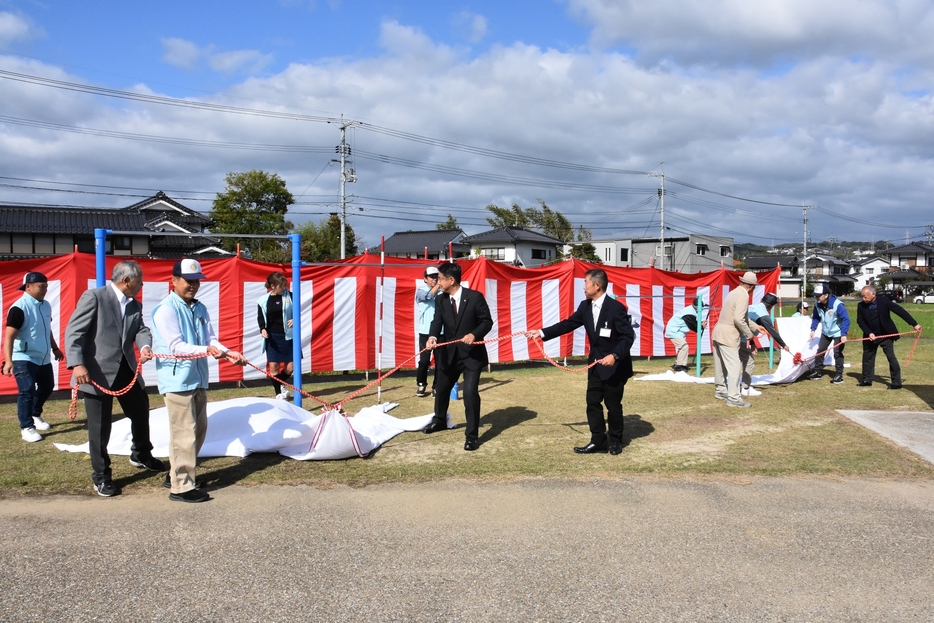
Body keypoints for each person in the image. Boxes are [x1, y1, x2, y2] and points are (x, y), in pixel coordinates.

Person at [64, 261, 163, 497]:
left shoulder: (134, 304)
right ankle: (101, 476)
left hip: (126, 371)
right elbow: (74, 331)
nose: (141, 285)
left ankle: (141, 454)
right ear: (127, 280)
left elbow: (141, 330)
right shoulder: (95, 297)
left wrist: (145, 346)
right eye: (139, 280)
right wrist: (77, 364)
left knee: (140, 413)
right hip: (95, 373)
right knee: (99, 428)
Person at [152, 259, 245, 503]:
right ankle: (181, 487)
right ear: (173, 280)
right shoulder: (166, 309)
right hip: (177, 380)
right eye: (188, 280)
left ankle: (176, 475)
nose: (193, 285)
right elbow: (176, 346)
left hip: (198, 378)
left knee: (198, 431)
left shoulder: (200, 308)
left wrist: (228, 352)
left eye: (196, 281)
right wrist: (210, 350)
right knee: (184, 433)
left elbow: (212, 339)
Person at [527, 268, 635, 455]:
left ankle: (616, 440)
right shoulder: (585, 307)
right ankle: (598, 440)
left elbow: (628, 336)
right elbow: (568, 324)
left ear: (597, 285)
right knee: (592, 402)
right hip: (595, 364)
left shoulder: (616, 308)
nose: (584, 286)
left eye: (586, 282)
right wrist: (542, 332)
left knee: (613, 404)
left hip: (614, 365)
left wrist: (615, 356)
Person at [422, 262, 493, 451]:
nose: (437, 281)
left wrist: (474, 334)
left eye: (440, 278)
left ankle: (471, 436)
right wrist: (432, 337)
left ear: (451, 280)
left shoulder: (475, 297)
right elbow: (437, 321)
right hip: (449, 353)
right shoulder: (441, 299)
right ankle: (439, 421)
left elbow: (487, 322)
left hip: (471, 355)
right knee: (442, 388)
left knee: (470, 393)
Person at [2, 272, 64, 443]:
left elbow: (47, 329)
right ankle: (27, 427)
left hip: (43, 357)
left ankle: (35, 414)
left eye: (46, 285)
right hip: (23, 356)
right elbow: (9, 337)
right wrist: (8, 361)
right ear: (28, 287)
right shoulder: (19, 307)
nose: (44, 289)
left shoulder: (46, 305)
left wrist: (55, 348)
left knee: (48, 386)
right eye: (40, 285)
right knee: (27, 390)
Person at [856, 285, 921, 389]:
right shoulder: (861, 305)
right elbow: (860, 321)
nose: (863, 299)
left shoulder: (884, 301)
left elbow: (900, 311)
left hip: (885, 334)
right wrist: (869, 333)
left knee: (891, 358)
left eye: (865, 296)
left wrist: (914, 324)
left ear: (873, 294)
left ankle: (896, 383)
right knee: (867, 358)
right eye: (862, 297)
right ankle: (867, 380)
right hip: (870, 336)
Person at [712, 271, 760, 408]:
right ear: (751, 287)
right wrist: (750, 335)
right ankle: (733, 398)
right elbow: (739, 319)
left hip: (718, 331)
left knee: (720, 365)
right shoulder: (743, 296)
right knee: (734, 367)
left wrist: (756, 326)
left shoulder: (733, 292)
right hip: (729, 334)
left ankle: (721, 390)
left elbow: (740, 317)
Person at [739, 293, 791, 397]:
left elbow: (747, 326)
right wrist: (783, 345)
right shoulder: (763, 314)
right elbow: (772, 331)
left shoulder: (753, 307)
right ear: (772, 306)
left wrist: (753, 344)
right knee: (749, 362)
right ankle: (745, 387)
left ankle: (732, 385)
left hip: (733, 337)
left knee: (736, 362)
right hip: (741, 339)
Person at [257, 271, 294, 400]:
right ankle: (278, 392)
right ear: (272, 286)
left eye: (285, 285)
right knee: (274, 367)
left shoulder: (291, 296)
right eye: (281, 286)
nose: (284, 288)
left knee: (290, 367)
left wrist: (294, 319)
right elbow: (261, 317)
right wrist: (262, 329)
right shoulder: (263, 301)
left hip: (289, 336)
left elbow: (297, 313)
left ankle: (280, 383)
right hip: (272, 337)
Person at [808, 285, 850, 384]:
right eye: (815, 296)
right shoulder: (817, 304)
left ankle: (839, 375)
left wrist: (843, 334)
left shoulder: (837, 304)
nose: (816, 298)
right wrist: (813, 329)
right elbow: (816, 317)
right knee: (820, 351)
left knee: (837, 353)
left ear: (826, 295)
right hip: (826, 332)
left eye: (818, 296)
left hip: (838, 332)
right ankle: (817, 372)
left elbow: (846, 319)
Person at [415, 266, 441, 397]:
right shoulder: (420, 291)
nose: (435, 279)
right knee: (424, 360)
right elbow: (428, 296)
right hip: (425, 331)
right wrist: (439, 286)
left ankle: (436, 386)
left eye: (436, 276)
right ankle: (421, 384)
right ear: (425, 279)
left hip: (441, 332)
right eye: (431, 277)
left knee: (440, 361)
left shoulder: (444, 291)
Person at [664, 296, 707, 372]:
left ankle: (678, 364)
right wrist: (701, 326)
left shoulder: (690, 311)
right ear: (698, 307)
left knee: (682, 347)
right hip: (674, 331)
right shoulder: (689, 313)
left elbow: (693, 323)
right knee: (684, 347)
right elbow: (693, 325)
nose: (703, 309)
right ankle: (680, 366)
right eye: (703, 307)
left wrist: (700, 324)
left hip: (678, 331)